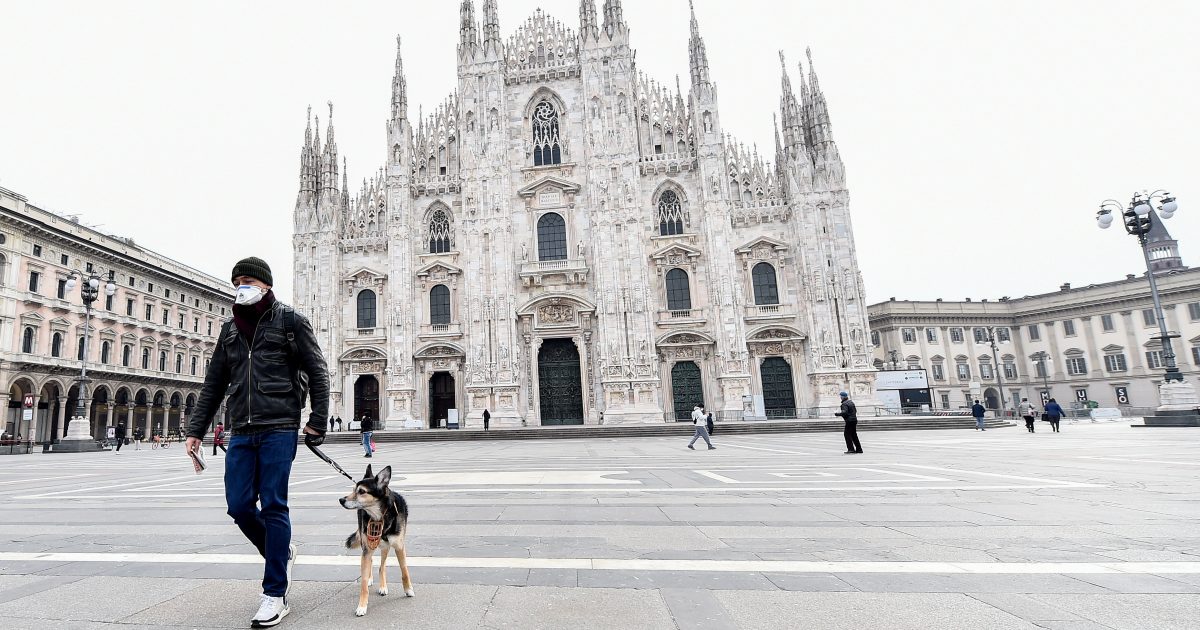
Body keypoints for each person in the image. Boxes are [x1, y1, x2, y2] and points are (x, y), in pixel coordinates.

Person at [185, 256, 329, 628]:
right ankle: (279, 552)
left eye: (247, 280)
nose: (241, 287)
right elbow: (214, 382)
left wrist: (316, 422)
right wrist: (195, 430)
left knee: (274, 503)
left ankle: (274, 593)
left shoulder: (290, 320)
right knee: (239, 506)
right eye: (236, 282)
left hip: (280, 424)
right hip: (242, 429)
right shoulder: (230, 328)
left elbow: (317, 370)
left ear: (265, 284)